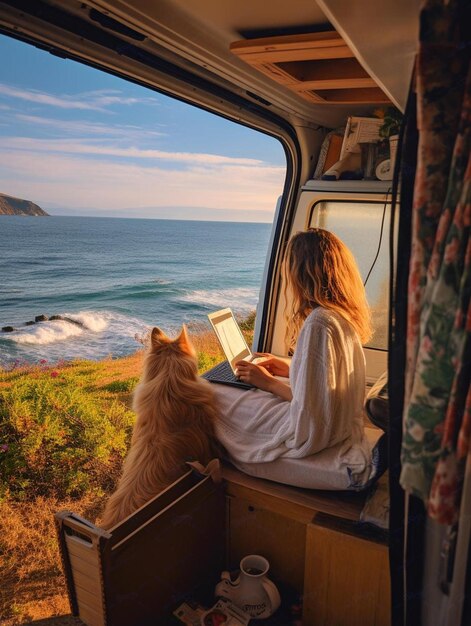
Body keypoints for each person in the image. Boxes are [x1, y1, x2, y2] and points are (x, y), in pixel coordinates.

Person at [212, 228, 373, 464]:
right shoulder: (340, 315)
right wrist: (290, 368)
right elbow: (326, 381)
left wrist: (266, 382)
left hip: (311, 437)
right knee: (230, 392)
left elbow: (309, 413)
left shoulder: (319, 323)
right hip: (337, 425)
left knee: (213, 394)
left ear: (301, 274)